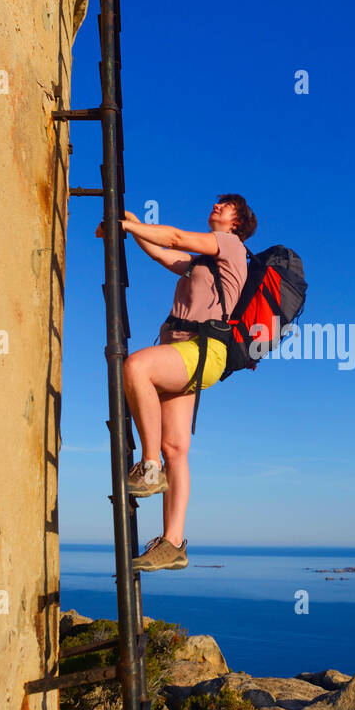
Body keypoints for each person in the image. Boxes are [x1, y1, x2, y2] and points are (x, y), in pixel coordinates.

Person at [95, 194, 256, 570]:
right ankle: (173, 544)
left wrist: (127, 225)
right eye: (216, 202)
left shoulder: (230, 246)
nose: (217, 206)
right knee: (177, 448)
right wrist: (132, 222)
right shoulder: (203, 263)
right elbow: (162, 252)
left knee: (135, 368)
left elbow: (175, 238)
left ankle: (150, 468)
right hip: (185, 355)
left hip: (200, 352)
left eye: (227, 205)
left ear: (238, 222)